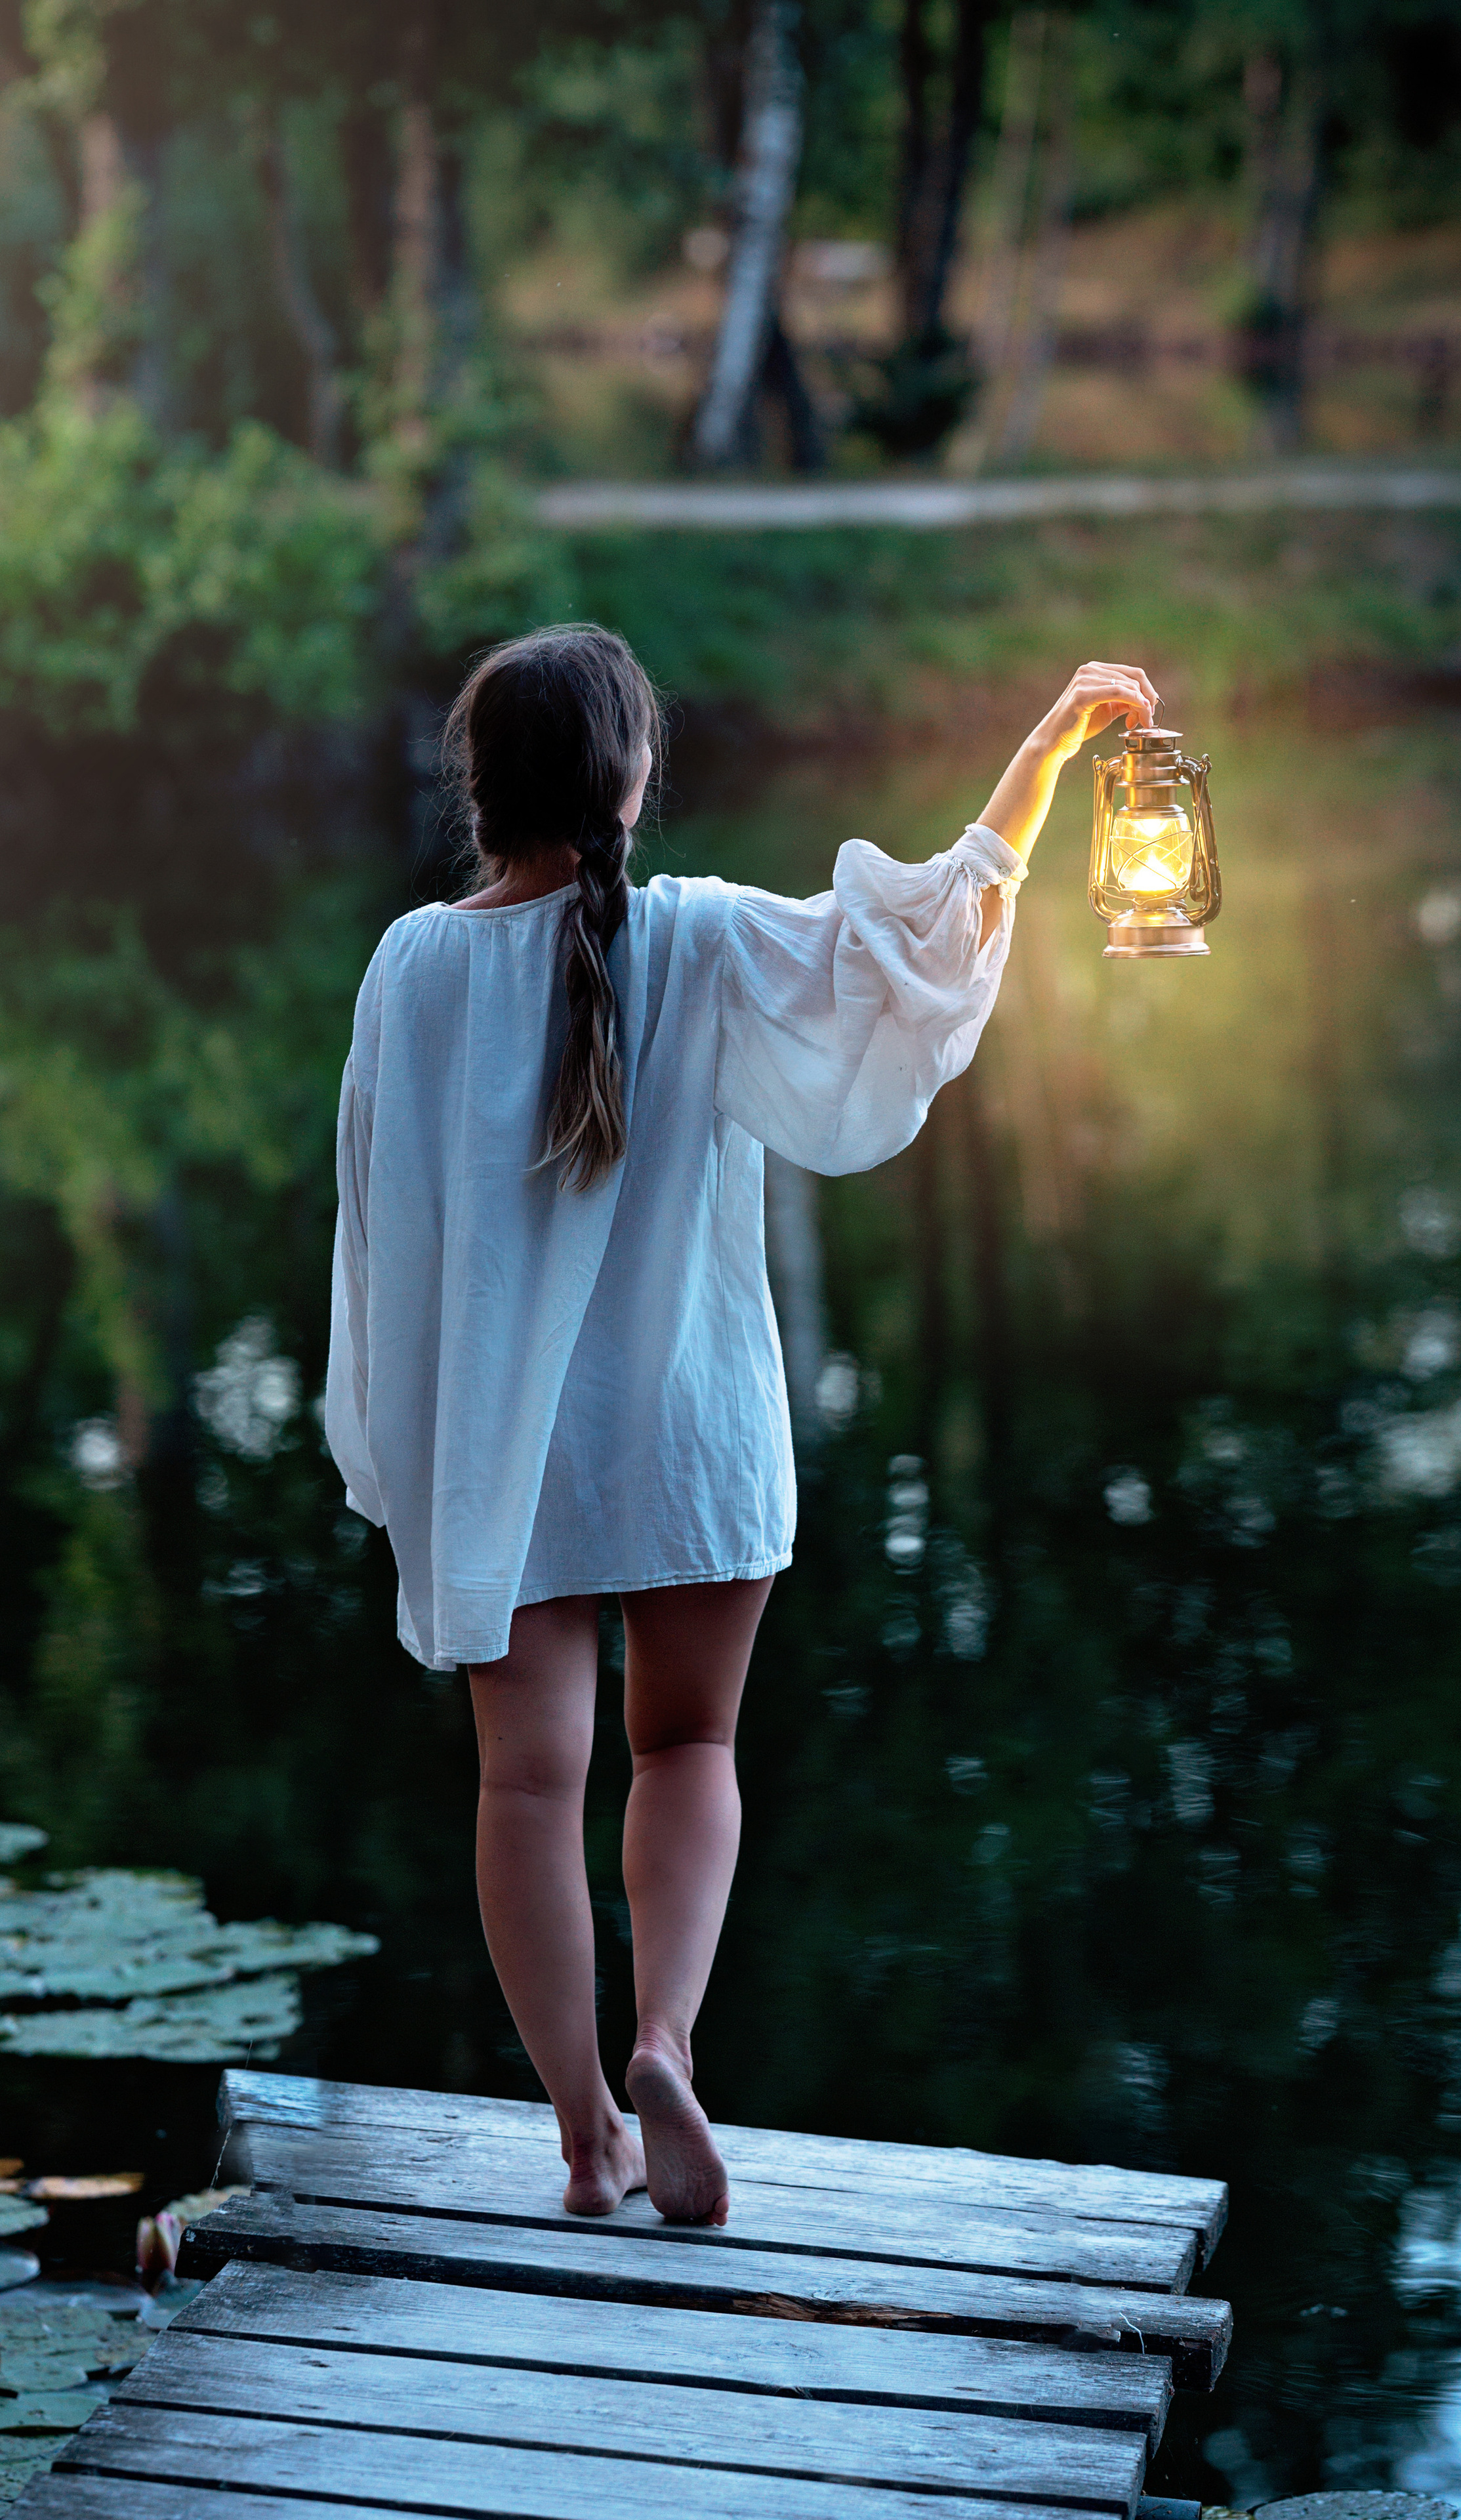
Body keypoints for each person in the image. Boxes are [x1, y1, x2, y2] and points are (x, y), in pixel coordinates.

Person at [326, 626, 1158, 2228]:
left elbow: (377, 1230)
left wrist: (394, 1445)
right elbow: (907, 945)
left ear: (480, 787)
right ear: (631, 778)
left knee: (525, 1789)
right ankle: (663, 2043)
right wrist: (1046, 751)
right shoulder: (697, 937)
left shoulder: (410, 966)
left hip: (500, 1448)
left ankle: (582, 2138)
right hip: (688, 1428)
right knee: (687, 1744)